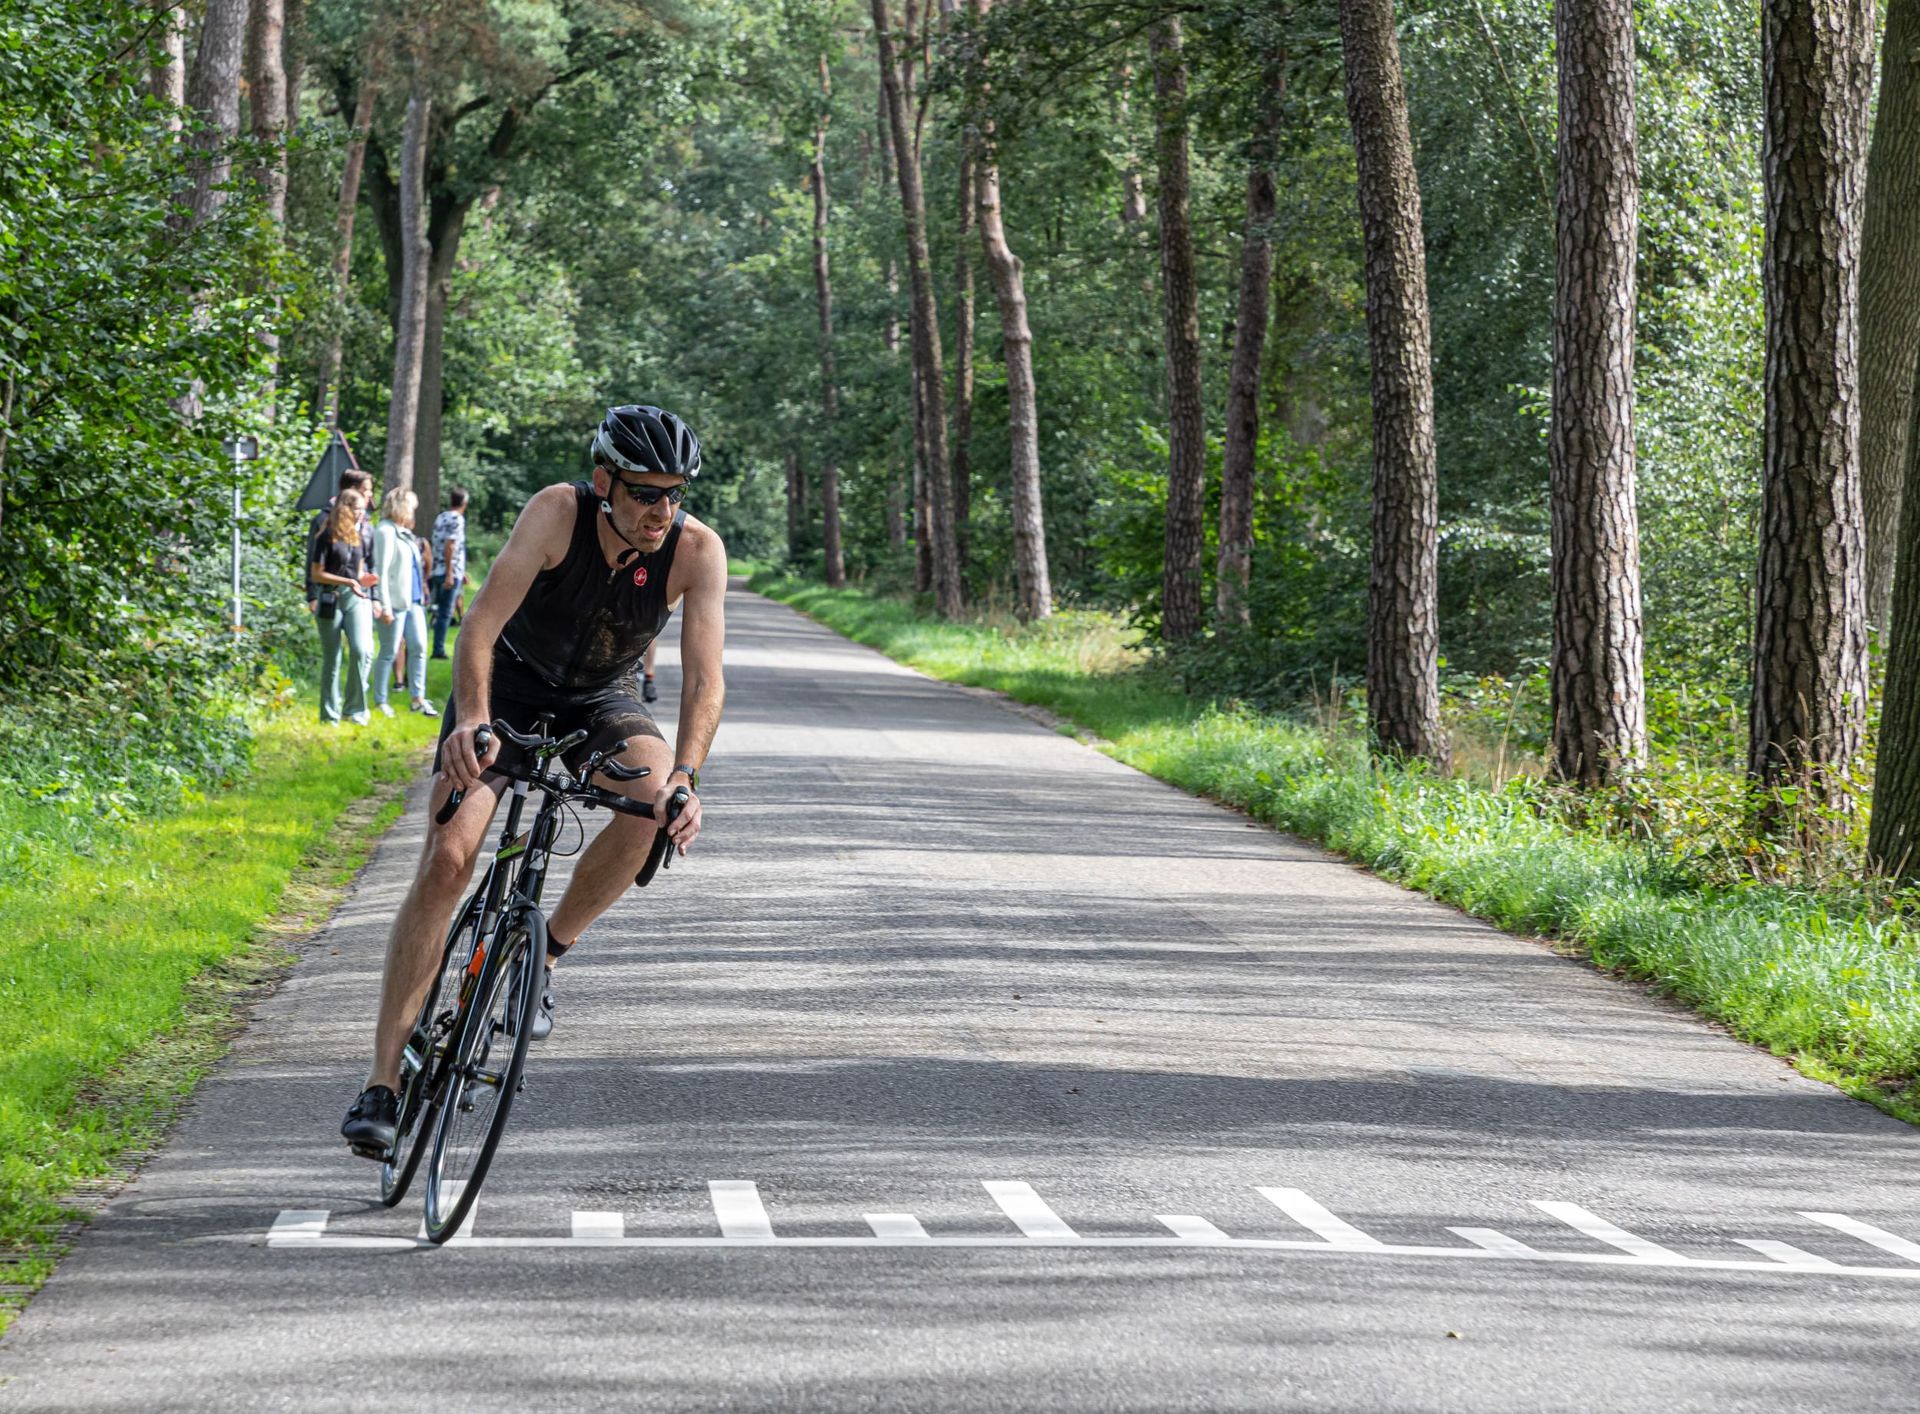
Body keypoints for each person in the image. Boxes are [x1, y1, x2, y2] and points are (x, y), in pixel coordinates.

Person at [341, 406, 728, 1157]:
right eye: (645, 492)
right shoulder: (557, 512)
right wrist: (471, 720)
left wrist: (685, 776)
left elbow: (705, 681)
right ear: (604, 480)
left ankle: (542, 956)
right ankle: (382, 1084)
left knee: (651, 807)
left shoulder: (695, 551)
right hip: (506, 689)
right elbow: (481, 624)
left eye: (675, 493)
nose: (662, 510)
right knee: (450, 859)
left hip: (601, 699)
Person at [310, 487, 378, 726]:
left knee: (362, 650)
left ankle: (355, 710)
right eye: (358, 508)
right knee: (333, 658)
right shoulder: (325, 536)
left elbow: (357, 570)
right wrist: (347, 581)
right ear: (346, 508)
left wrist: (363, 579)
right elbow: (317, 574)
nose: (362, 513)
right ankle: (329, 715)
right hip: (330, 599)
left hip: (355, 598)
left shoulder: (358, 536)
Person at [370, 489, 436, 718]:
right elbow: (381, 571)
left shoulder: (404, 532)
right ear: (401, 506)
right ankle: (380, 700)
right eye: (411, 507)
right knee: (388, 652)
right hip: (395, 603)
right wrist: (384, 605)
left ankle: (418, 698)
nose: (413, 512)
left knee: (419, 648)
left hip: (414, 602)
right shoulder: (385, 531)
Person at [429, 487, 468, 659]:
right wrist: (450, 573)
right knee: (445, 613)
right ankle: (438, 650)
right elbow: (450, 545)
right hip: (448, 572)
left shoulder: (441, 516)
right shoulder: (457, 519)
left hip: (437, 569)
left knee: (437, 610)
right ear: (464, 502)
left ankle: (435, 646)